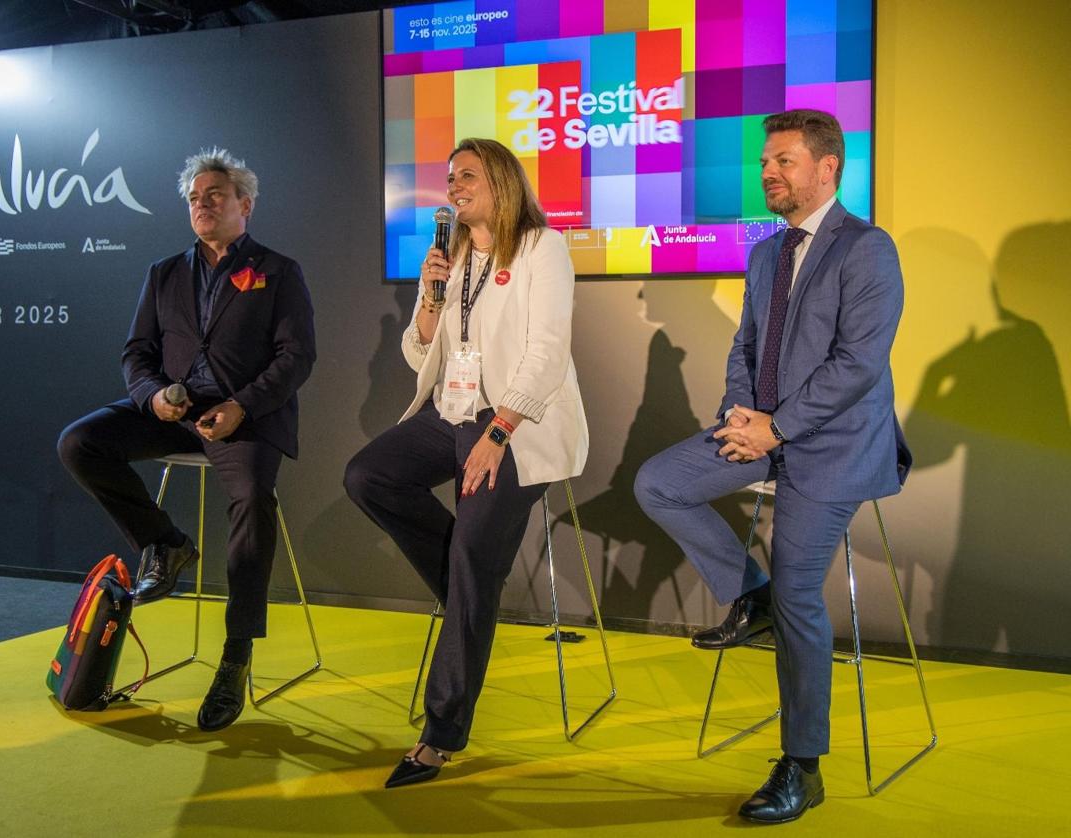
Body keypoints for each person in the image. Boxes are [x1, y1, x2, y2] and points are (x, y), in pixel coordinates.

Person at [634, 110, 911, 824]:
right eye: (765, 163)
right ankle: (745, 593)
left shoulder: (868, 249)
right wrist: (739, 416)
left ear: (827, 169)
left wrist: (778, 428)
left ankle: (802, 766)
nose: (768, 173)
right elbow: (746, 348)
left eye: (783, 161)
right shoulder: (765, 254)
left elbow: (858, 364)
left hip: (834, 444)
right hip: (760, 430)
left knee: (800, 596)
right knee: (659, 482)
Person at [344, 138, 589, 788]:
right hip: (451, 411)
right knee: (368, 476)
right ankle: (469, 594)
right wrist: (428, 300)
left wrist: (500, 430)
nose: (453, 186)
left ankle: (439, 734)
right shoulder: (454, 257)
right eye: (449, 177)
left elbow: (548, 351)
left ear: (502, 181)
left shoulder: (542, 247)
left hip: (516, 423)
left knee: (472, 561)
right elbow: (420, 355)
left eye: (467, 176)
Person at [57, 148, 315, 731]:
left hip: (245, 416)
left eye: (214, 195)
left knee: (252, 502)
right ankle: (166, 544)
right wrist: (152, 396)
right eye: (194, 198)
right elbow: (137, 352)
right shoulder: (164, 272)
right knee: (80, 443)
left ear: (244, 205)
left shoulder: (278, 270)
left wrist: (239, 406)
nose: (201, 204)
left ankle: (235, 656)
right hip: (174, 410)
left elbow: (297, 358)